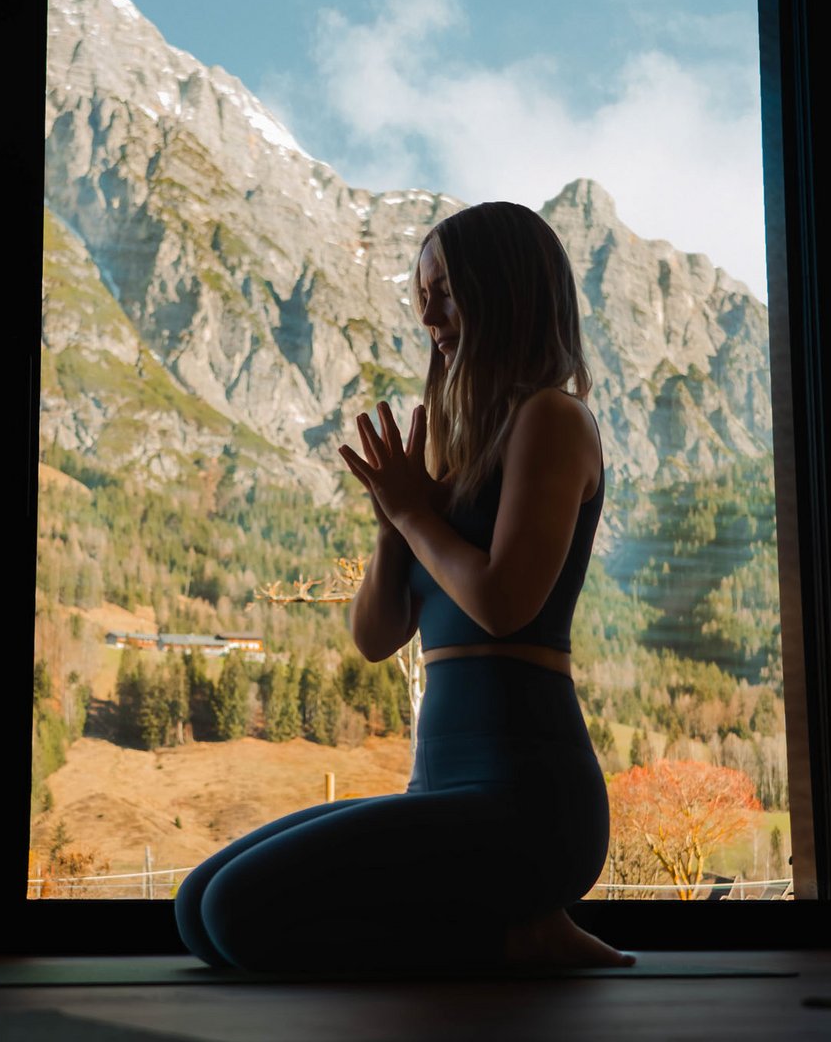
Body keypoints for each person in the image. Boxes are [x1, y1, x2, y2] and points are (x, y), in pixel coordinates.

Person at [173, 201, 629, 971]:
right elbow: (377, 637)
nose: (427, 312)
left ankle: (515, 931)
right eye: (421, 290)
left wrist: (416, 512)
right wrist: (394, 520)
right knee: (196, 909)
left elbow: (501, 604)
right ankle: (508, 932)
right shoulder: (461, 449)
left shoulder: (553, 420)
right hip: (444, 790)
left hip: (529, 803)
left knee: (236, 913)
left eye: (446, 289)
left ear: (507, 291)